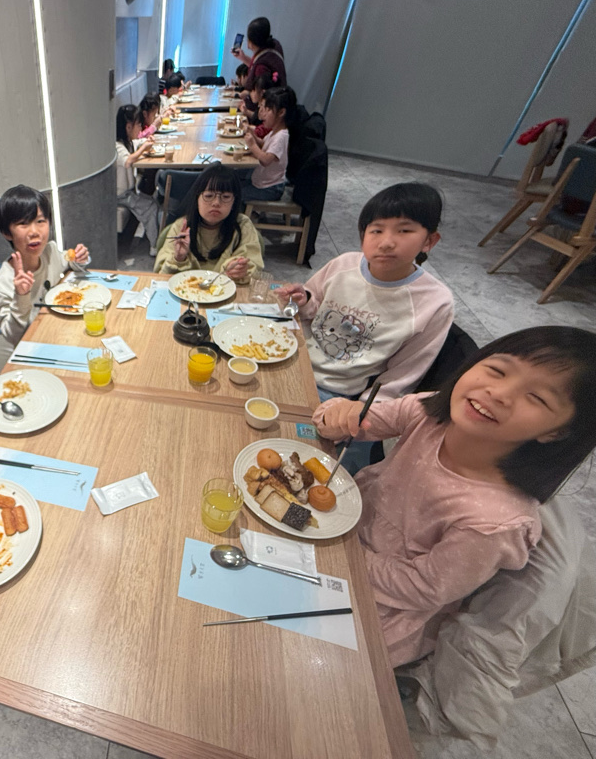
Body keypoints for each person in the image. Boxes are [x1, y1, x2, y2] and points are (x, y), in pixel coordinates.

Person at [313, 326, 596, 667]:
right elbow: (361, 422)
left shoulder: (495, 523)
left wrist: (340, 555)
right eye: (498, 370)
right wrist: (339, 416)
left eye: (536, 397)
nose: (499, 393)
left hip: (380, 606)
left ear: (557, 432)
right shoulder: (431, 414)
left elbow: (423, 587)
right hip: (338, 529)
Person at [276, 182, 454, 406]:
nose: (386, 243)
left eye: (404, 231)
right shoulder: (344, 264)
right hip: (291, 358)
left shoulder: (435, 302)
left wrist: (361, 410)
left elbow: (403, 375)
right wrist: (304, 301)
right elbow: (312, 307)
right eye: (377, 230)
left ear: (429, 241)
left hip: (335, 392)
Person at [0, 185, 89, 362]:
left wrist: (79, 259)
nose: (34, 232)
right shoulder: (2, 283)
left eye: (40, 221)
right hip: (33, 351)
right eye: (23, 223)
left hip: (61, 333)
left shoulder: (50, 252)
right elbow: (14, 336)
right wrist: (21, 296)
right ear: (6, 232)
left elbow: (68, 261)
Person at [155, 163, 264, 282]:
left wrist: (241, 271)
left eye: (226, 197)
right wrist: (178, 258)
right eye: (208, 195)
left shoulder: (243, 225)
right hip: (187, 290)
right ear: (197, 198)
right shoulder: (182, 226)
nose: (216, 203)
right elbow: (161, 276)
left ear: (234, 201)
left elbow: (255, 269)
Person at [115, 105, 161, 256]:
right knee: (150, 207)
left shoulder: (128, 142)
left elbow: (138, 143)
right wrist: (143, 148)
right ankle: (154, 246)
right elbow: (128, 161)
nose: (140, 128)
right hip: (120, 196)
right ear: (128, 127)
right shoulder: (117, 146)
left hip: (129, 192)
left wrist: (146, 142)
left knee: (153, 202)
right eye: (138, 125)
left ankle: (155, 240)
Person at [242, 86, 296, 202]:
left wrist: (252, 145)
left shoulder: (281, 136)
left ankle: (245, 211)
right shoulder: (275, 131)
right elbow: (264, 144)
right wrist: (253, 135)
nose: (262, 114)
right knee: (234, 181)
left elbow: (266, 160)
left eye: (267, 109)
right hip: (263, 181)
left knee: (235, 194)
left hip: (271, 189)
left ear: (281, 112)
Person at [233, 17, 287, 113]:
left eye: (248, 40)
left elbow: (258, 98)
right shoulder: (274, 45)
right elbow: (256, 64)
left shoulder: (261, 69)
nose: (247, 45)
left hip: (260, 114)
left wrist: (246, 95)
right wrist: (243, 58)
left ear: (252, 42)